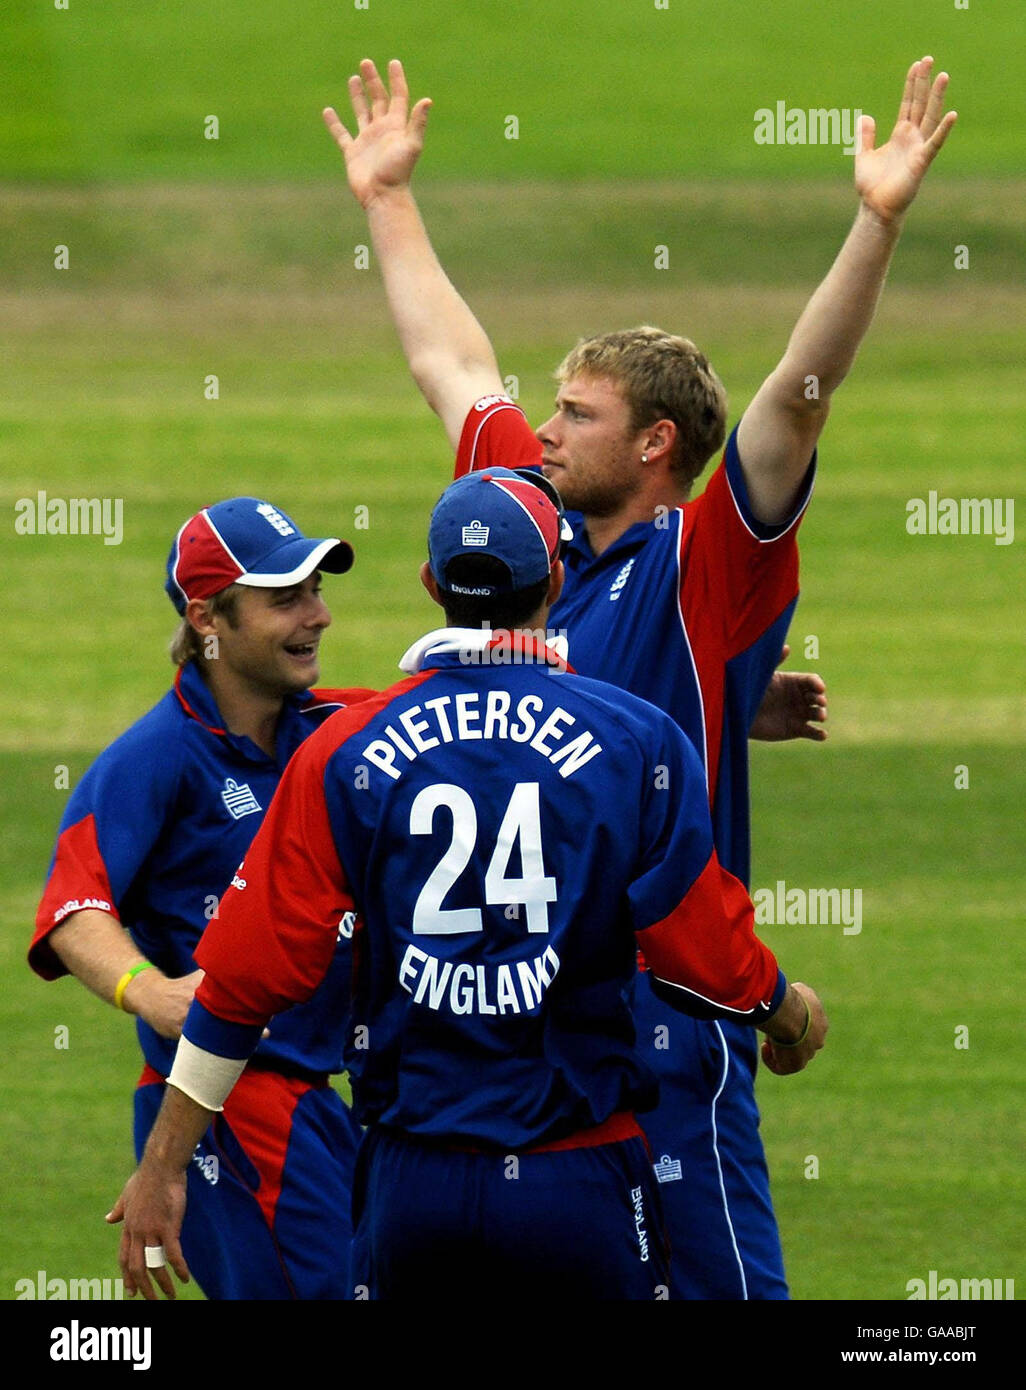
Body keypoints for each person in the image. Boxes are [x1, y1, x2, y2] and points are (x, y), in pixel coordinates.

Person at [322, 55, 955, 1299]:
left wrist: (875, 222)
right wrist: (387, 199)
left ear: (657, 444)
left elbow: (795, 403)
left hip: (669, 1007)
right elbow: (451, 362)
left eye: (575, 414)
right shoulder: (526, 515)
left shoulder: (703, 563)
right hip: (514, 1018)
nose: (540, 430)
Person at [108, 467, 827, 1301]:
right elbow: (698, 951)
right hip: (581, 1182)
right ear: (556, 578)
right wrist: (788, 1013)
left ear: (430, 585)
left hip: (414, 1188)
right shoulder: (636, 740)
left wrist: (165, 1166)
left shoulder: (341, 753)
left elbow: (239, 987)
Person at [30, 496, 372, 1300]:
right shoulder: (155, 759)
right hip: (231, 1108)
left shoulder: (332, 725)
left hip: (325, 1105)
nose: (317, 615)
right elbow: (73, 911)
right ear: (207, 617)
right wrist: (152, 993)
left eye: (317, 590)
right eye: (285, 598)